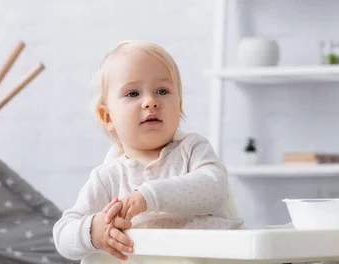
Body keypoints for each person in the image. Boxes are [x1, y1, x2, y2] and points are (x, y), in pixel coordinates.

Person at [52, 40, 243, 261]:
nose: (151, 101)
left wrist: (149, 196)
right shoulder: (109, 178)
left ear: (179, 105)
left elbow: (215, 187)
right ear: (107, 116)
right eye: (133, 94)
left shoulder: (192, 150)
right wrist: (93, 232)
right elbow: (62, 234)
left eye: (162, 91)